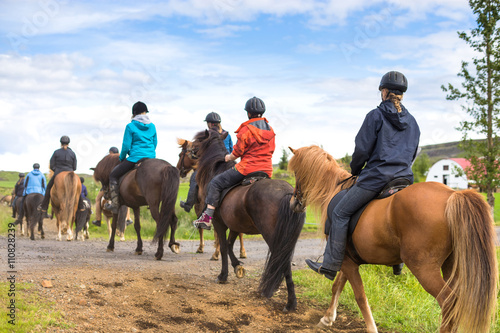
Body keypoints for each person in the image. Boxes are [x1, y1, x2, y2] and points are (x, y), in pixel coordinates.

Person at [305, 71, 420, 280]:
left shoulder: (375, 116)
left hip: (377, 178)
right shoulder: (413, 122)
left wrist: (356, 170)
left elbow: (362, 150)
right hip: (404, 180)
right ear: (402, 95)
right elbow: (412, 153)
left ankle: (330, 265)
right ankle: (397, 263)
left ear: (383, 92)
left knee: (339, 211)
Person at [193, 97, 275, 230]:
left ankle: (207, 218)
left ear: (248, 113)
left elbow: (238, 152)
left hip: (247, 168)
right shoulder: (270, 130)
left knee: (216, 183)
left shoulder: (246, 129)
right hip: (266, 170)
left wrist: (228, 158)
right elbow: (272, 150)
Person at [103, 101, 157, 214]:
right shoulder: (152, 126)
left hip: (135, 158)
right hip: (151, 159)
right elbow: (155, 143)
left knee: (113, 175)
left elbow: (126, 146)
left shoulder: (130, 126)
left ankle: (115, 204)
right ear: (145, 112)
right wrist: (150, 154)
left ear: (134, 113)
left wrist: (122, 157)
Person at [180, 112, 233, 213]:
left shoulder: (208, 135)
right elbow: (231, 149)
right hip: (227, 163)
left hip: (212, 165)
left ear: (210, 124)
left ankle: (188, 204)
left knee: (194, 178)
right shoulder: (227, 135)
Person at [92, 147, 133, 226]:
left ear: (110, 152)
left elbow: (104, 175)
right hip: (121, 183)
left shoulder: (108, 160)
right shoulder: (122, 159)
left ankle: (98, 219)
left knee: (97, 199)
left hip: (110, 184)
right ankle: (128, 218)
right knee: (127, 199)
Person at [38, 135, 77, 216]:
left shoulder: (56, 152)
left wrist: (56, 170)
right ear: (68, 143)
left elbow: (51, 165)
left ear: (61, 143)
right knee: (77, 189)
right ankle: (81, 205)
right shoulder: (72, 153)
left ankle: (44, 207)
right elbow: (75, 167)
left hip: (58, 172)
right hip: (70, 172)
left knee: (48, 188)